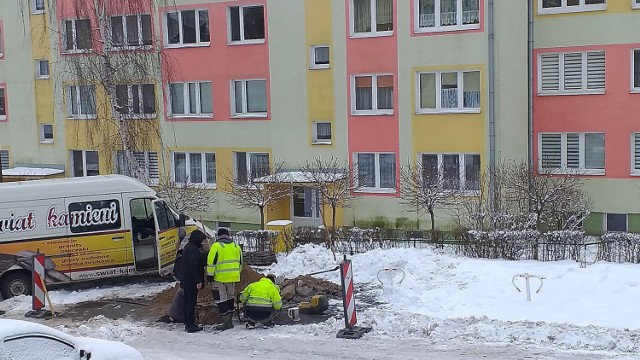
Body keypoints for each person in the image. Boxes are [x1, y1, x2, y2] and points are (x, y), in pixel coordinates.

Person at [207, 228, 242, 331]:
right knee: (230, 297)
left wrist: (210, 275)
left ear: (218, 236)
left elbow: (211, 262)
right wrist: (236, 274)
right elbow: (240, 262)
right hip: (233, 277)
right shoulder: (236, 246)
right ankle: (230, 321)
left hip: (220, 278)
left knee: (220, 299)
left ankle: (226, 322)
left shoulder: (216, 246)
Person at [180, 229, 207, 333]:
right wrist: (198, 281)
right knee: (191, 303)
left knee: (188, 302)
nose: (203, 242)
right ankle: (190, 325)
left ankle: (188, 323)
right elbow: (193, 266)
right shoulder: (193, 250)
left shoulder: (188, 247)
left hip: (186, 280)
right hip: (191, 282)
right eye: (202, 240)